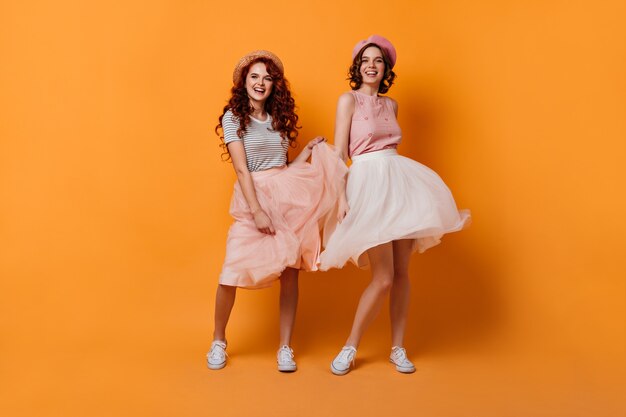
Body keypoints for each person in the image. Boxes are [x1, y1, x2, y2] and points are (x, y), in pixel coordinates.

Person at [320, 35, 471, 375]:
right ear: (357, 67)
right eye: (365, 61)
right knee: (383, 277)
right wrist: (342, 197)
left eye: (377, 61)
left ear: (385, 68)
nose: (371, 66)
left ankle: (397, 348)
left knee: (402, 273)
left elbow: (391, 146)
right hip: (367, 183)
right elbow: (340, 153)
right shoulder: (348, 100)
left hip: (399, 181)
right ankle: (350, 347)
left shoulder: (392, 105)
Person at [208, 50, 346, 372]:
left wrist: (307, 152)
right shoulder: (233, 117)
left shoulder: (278, 119)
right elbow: (243, 171)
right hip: (253, 197)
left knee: (290, 274)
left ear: (274, 85)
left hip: (285, 198)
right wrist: (257, 211)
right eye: (254, 76)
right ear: (244, 82)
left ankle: (285, 347)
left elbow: (282, 168)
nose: (260, 83)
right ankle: (218, 340)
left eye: (267, 78)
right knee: (230, 273)